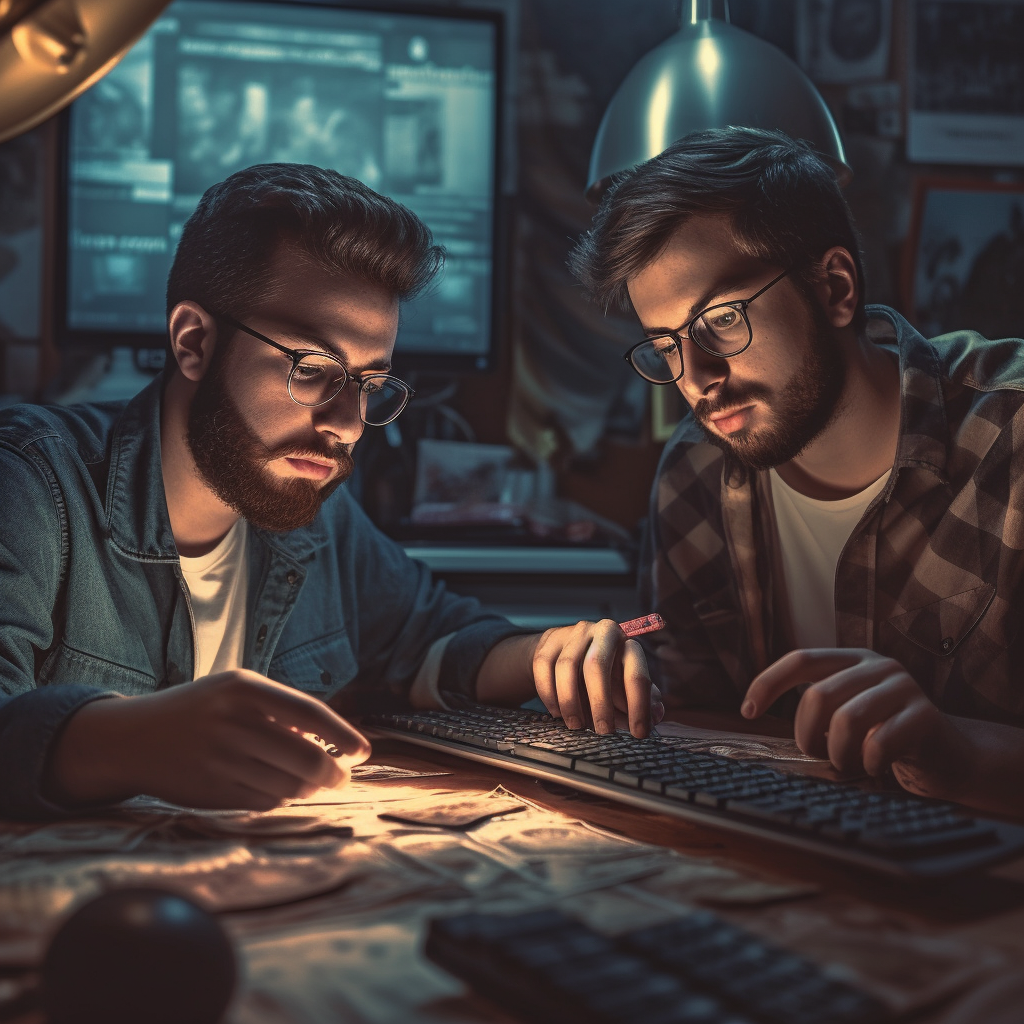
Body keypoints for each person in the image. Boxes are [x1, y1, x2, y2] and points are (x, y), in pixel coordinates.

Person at [0, 163, 661, 820]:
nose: (347, 426)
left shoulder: (312, 516)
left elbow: (434, 642)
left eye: (370, 385)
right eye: (314, 369)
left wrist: (550, 657)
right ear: (194, 342)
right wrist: (129, 742)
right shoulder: (32, 485)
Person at [569, 127, 1024, 818]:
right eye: (666, 346)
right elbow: (696, 725)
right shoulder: (693, 474)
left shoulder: (1011, 441)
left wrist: (960, 754)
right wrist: (615, 692)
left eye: (720, 319)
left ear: (835, 288)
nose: (696, 380)